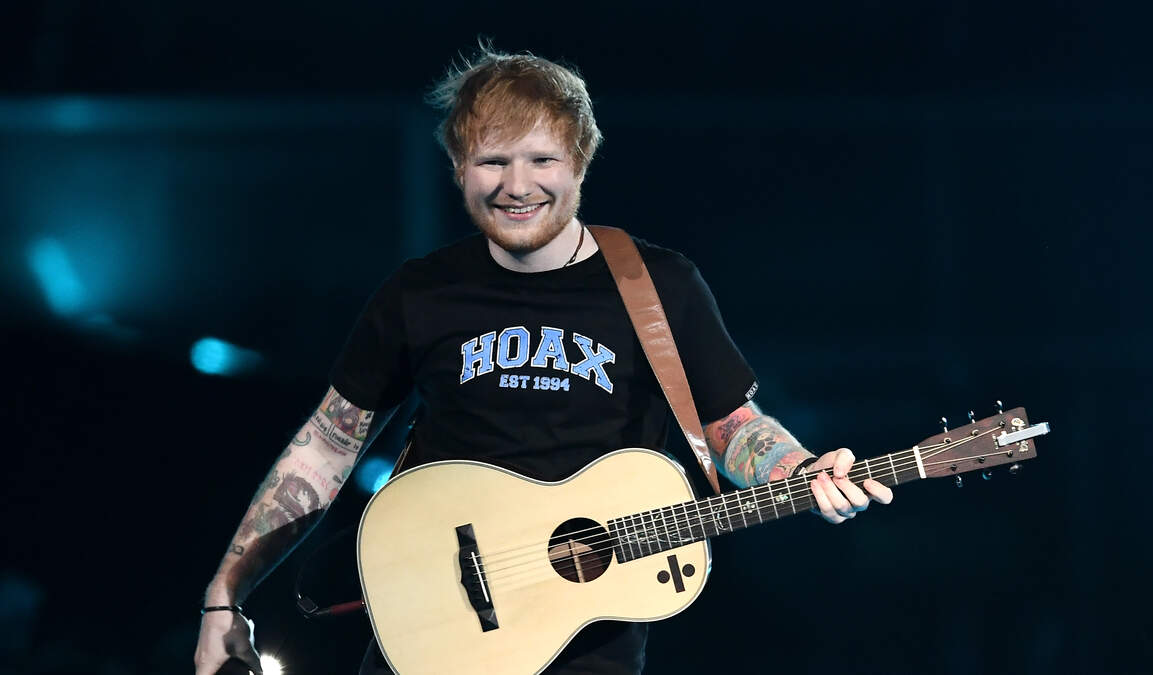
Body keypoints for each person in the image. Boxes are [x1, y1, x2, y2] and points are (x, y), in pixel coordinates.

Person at [192, 45, 895, 675]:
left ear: (580, 161)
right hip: (435, 637)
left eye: (541, 159)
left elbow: (731, 425)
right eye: (492, 161)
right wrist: (225, 596)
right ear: (459, 169)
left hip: (590, 648)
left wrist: (800, 470)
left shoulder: (659, 286)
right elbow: (324, 449)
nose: (517, 185)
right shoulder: (420, 292)